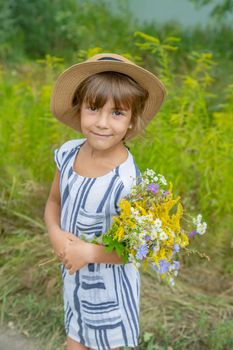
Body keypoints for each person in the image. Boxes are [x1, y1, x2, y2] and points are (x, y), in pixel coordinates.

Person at [44, 53, 166, 350]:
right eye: (94, 108)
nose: (101, 122)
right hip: (74, 282)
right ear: (80, 108)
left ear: (132, 121)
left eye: (117, 113)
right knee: (74, 341)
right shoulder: (69, 154)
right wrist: (55, 233)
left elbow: (140, 248)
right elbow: (53, 203)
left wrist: (89, 251)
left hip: (110, 294)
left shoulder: (128, 182)